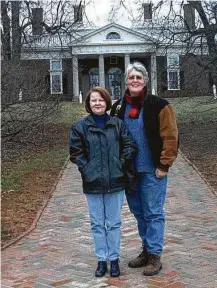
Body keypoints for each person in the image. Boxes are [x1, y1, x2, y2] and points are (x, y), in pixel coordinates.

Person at [110, 62, 179, 276]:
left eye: (139, 77)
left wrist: (164, 165)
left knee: (153, 212)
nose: (135, 81)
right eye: (131, 77)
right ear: (126, 81)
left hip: (152, 170)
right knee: (139, 213)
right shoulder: (119, 107)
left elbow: (171, 136)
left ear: (145, 80)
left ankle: (155, 256)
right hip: (130, 172)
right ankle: (147, 249)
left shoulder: (159, 105)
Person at [69, 87, 137, 278]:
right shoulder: (79, 127)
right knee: (97, 224)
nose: (97, 103)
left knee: (114, 223)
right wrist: (88, 169)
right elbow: (76, 153)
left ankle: (114, 260)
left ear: (107, 102)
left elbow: (129, 145)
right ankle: (101, 259)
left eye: (101, 100)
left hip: (115, 181)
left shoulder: (117, 124)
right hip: (93, 183)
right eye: (93, 100)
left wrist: (120, 164)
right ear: (88, 104)